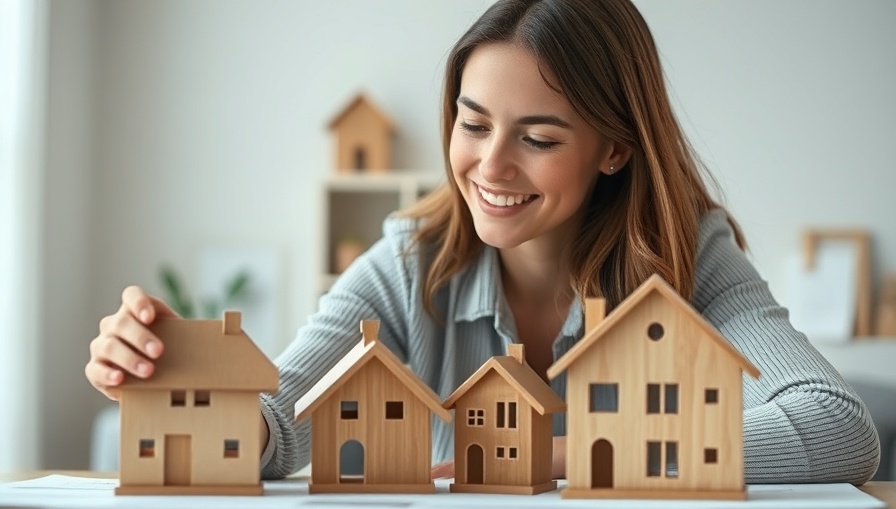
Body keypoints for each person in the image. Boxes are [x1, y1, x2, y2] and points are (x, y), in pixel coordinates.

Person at [86, 0, 880, 484]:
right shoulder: (408, 263)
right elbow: (281, 419)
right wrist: (173, 378)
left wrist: (564, 456)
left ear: (615, 149)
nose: (489, 166)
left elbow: (838, 426)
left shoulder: (690, 257)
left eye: (537, 137)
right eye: (472, 123)